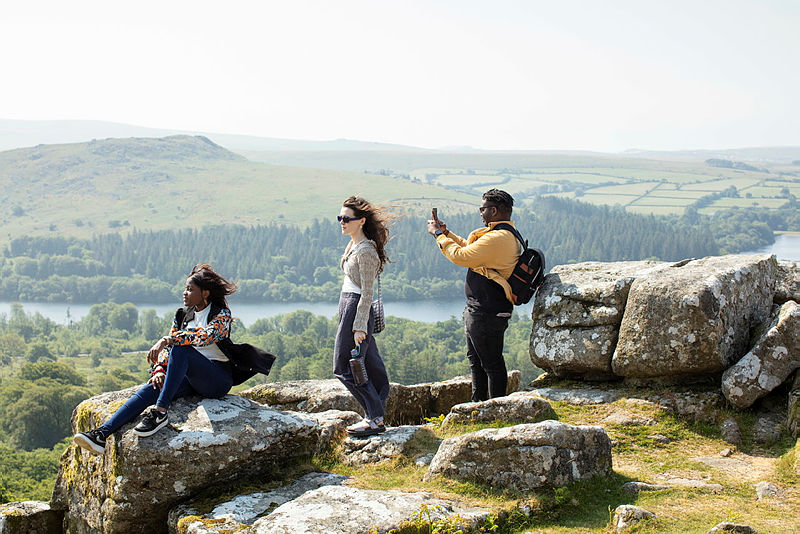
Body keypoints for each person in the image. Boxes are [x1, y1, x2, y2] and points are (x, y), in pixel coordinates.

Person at [74, 263, 275, 455]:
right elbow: (168, 350)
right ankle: (101, 434)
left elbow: (203, 337)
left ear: (205, 293)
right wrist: (160, 369)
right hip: (191, 379)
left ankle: (160, 411)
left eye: (190, 289)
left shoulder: (221, 315)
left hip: (217, 379)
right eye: (185, 288)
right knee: (152, 387)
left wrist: (167, 339)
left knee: (182, 350)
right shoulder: (181, 316)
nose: (184, 293)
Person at [427, 189, 522, 402]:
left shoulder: (499, 237)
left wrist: (438, 236)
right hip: (481, 310)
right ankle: (478, 406)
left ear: (494, 210)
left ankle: (497, 409)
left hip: (487, 312)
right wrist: (447, 233)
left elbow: (462, 256)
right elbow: (471, 248)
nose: (481, 213)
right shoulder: (500, 234)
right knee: (477, 361)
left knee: (491, 363)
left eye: (483, 208)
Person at [334, 196, 391, 437]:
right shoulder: (354, 245)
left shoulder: (366, 252)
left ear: (361, 221)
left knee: (345, 366)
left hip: (356, 310)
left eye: (347, 219)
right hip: (349, 308)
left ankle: (374, 415)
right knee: (370, 364)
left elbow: (367, 293)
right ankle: (376, 414)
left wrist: (359, 326)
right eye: (340, 218)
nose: (342, 222)